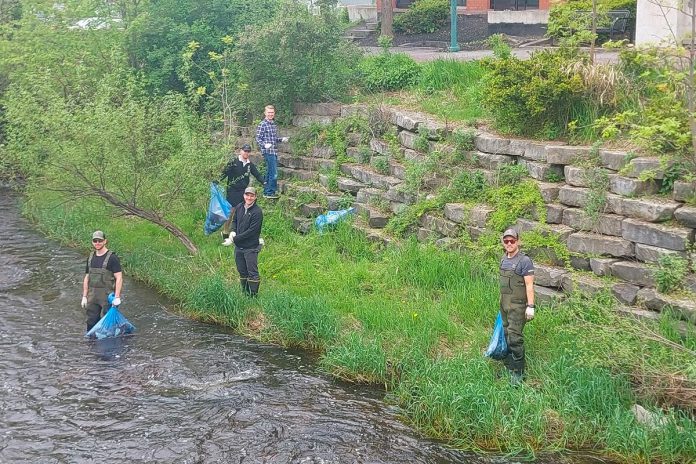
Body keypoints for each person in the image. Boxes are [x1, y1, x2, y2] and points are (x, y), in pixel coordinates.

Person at [498, 228, 535, 385]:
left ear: (517, 241)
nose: (509, 244)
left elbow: (529, 285)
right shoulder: (503, 259)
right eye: (506, 241)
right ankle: (509, 365)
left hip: (518, 306)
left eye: (512, 241)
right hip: (504, 305)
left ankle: (519, 372)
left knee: (515, 337)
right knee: (506, 334)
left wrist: (531, 306)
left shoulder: (524, 261)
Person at [219, 143, 265, 246]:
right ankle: (225, 232)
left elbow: (256, 174)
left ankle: (238, 233)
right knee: (231, 212)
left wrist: (264, 182)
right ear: (241, 151)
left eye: (248, 151)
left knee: (243, 212)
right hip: (232, 190)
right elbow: (224, 173)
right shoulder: (234, 162)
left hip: (243, 191)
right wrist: (217, 181)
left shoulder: (249, 165)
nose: (246, 153)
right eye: (245, 151)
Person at [81, 231, 123, 332]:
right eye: (95, 241)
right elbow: (87, 277)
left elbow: (119, 278)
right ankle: (92, 344)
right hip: (92, 296)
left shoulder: (112, 258)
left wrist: (117, 297)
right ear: (92, 242)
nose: (97, 243)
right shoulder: (90, 257)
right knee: (91, 322)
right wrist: (84, 296)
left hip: (107, 296)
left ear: (105, 241)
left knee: (107, 324)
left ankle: (108, 345)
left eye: (100, 240)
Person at [230, 187, 263, 296]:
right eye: (247, 195)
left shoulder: (257, 212)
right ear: (244, 195)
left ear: (255, 197)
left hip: (251, 247)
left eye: (252, 196)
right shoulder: (239, 207)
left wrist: (234, 239)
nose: (249, 198)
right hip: (239, 247)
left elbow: (251, 232)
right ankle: (245, 293)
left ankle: (253, 297)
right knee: (242, 271)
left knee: (252, 272)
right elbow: (234, 220)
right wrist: (233, 231)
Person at [255, 105, 288, 199]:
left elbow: (274, 139)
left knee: (269, 172)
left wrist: (282, 139)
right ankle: (270, 192)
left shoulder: (273, 124)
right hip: (267, 151)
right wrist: (264, 145)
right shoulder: (262, 124)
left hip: (274, 151)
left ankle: (267, 191)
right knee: (274, 173)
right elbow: (258, 138)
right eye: (269, 112)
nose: (270, 114)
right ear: (265, 113)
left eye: (272, 113)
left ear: (274, 113)